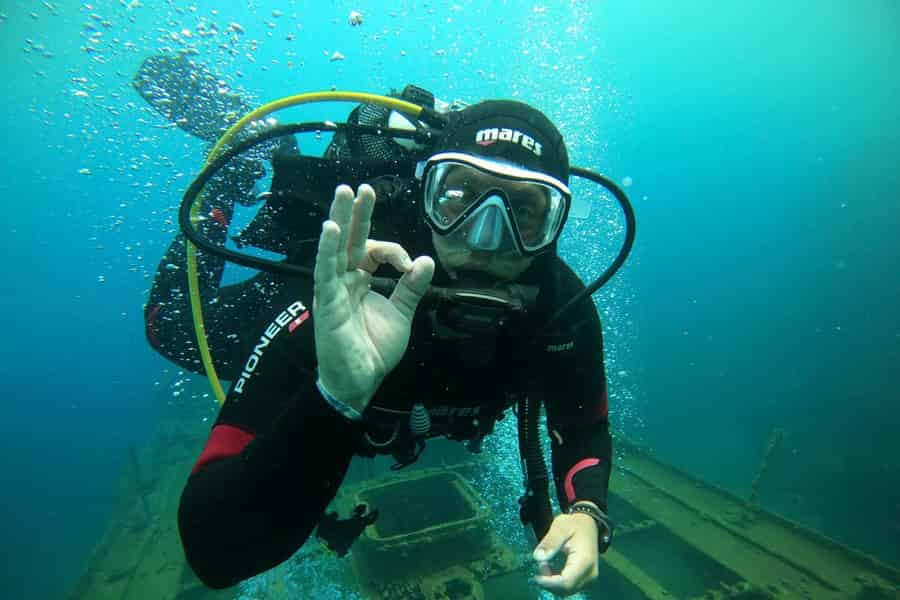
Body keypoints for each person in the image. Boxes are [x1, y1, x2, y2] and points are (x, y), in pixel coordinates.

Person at [138, 56, 614, 597]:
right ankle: (240, 174)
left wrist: (588, 510)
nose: (484, 238)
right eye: (457, 197)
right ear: (425, 192)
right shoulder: (353, 277)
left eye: (524, 213)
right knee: (169, 328)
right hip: (334, 309)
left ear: (554, 226)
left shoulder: (560, 309)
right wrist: (335, 393)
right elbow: (214, 555)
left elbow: (583, 426)